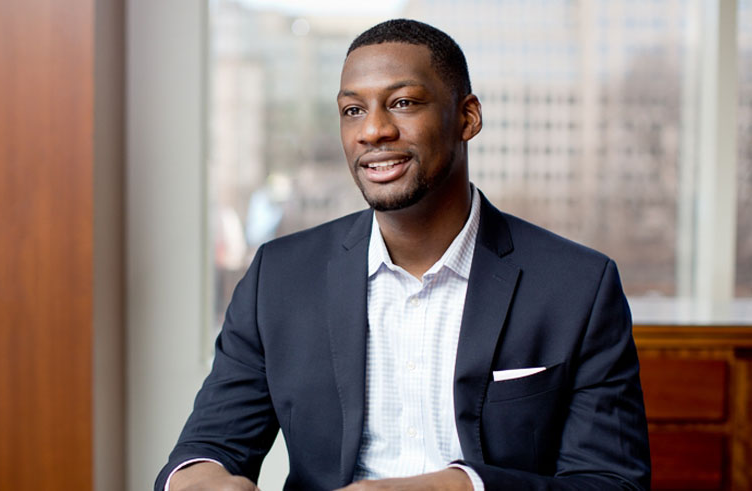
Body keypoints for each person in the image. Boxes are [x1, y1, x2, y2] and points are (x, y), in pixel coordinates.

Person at [156, 19, 650, 491]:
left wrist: (457, 486)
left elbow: (613, 482)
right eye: (353, 110)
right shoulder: (279, 278)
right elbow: (207, 449)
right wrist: (202, 481)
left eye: (403, 102)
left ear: (467, 117)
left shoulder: (577, 286)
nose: (373, 131)